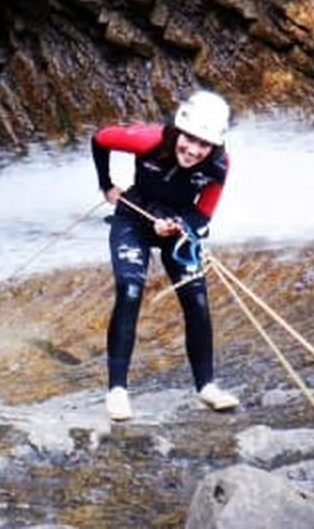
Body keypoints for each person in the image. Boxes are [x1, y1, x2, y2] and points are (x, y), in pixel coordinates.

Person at [91, 89, 239, 420]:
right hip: (133, 218)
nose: (194, 150)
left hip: (177, 228)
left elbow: (204, 214)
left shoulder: (218, 164)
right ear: (178, 130)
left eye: (204, 144)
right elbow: (100, 139)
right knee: (129, 292)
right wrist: (107, 185)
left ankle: (206, 387)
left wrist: (179, 225)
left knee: (197, 300)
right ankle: (117, 391)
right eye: (190, 140)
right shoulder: (148, 140)